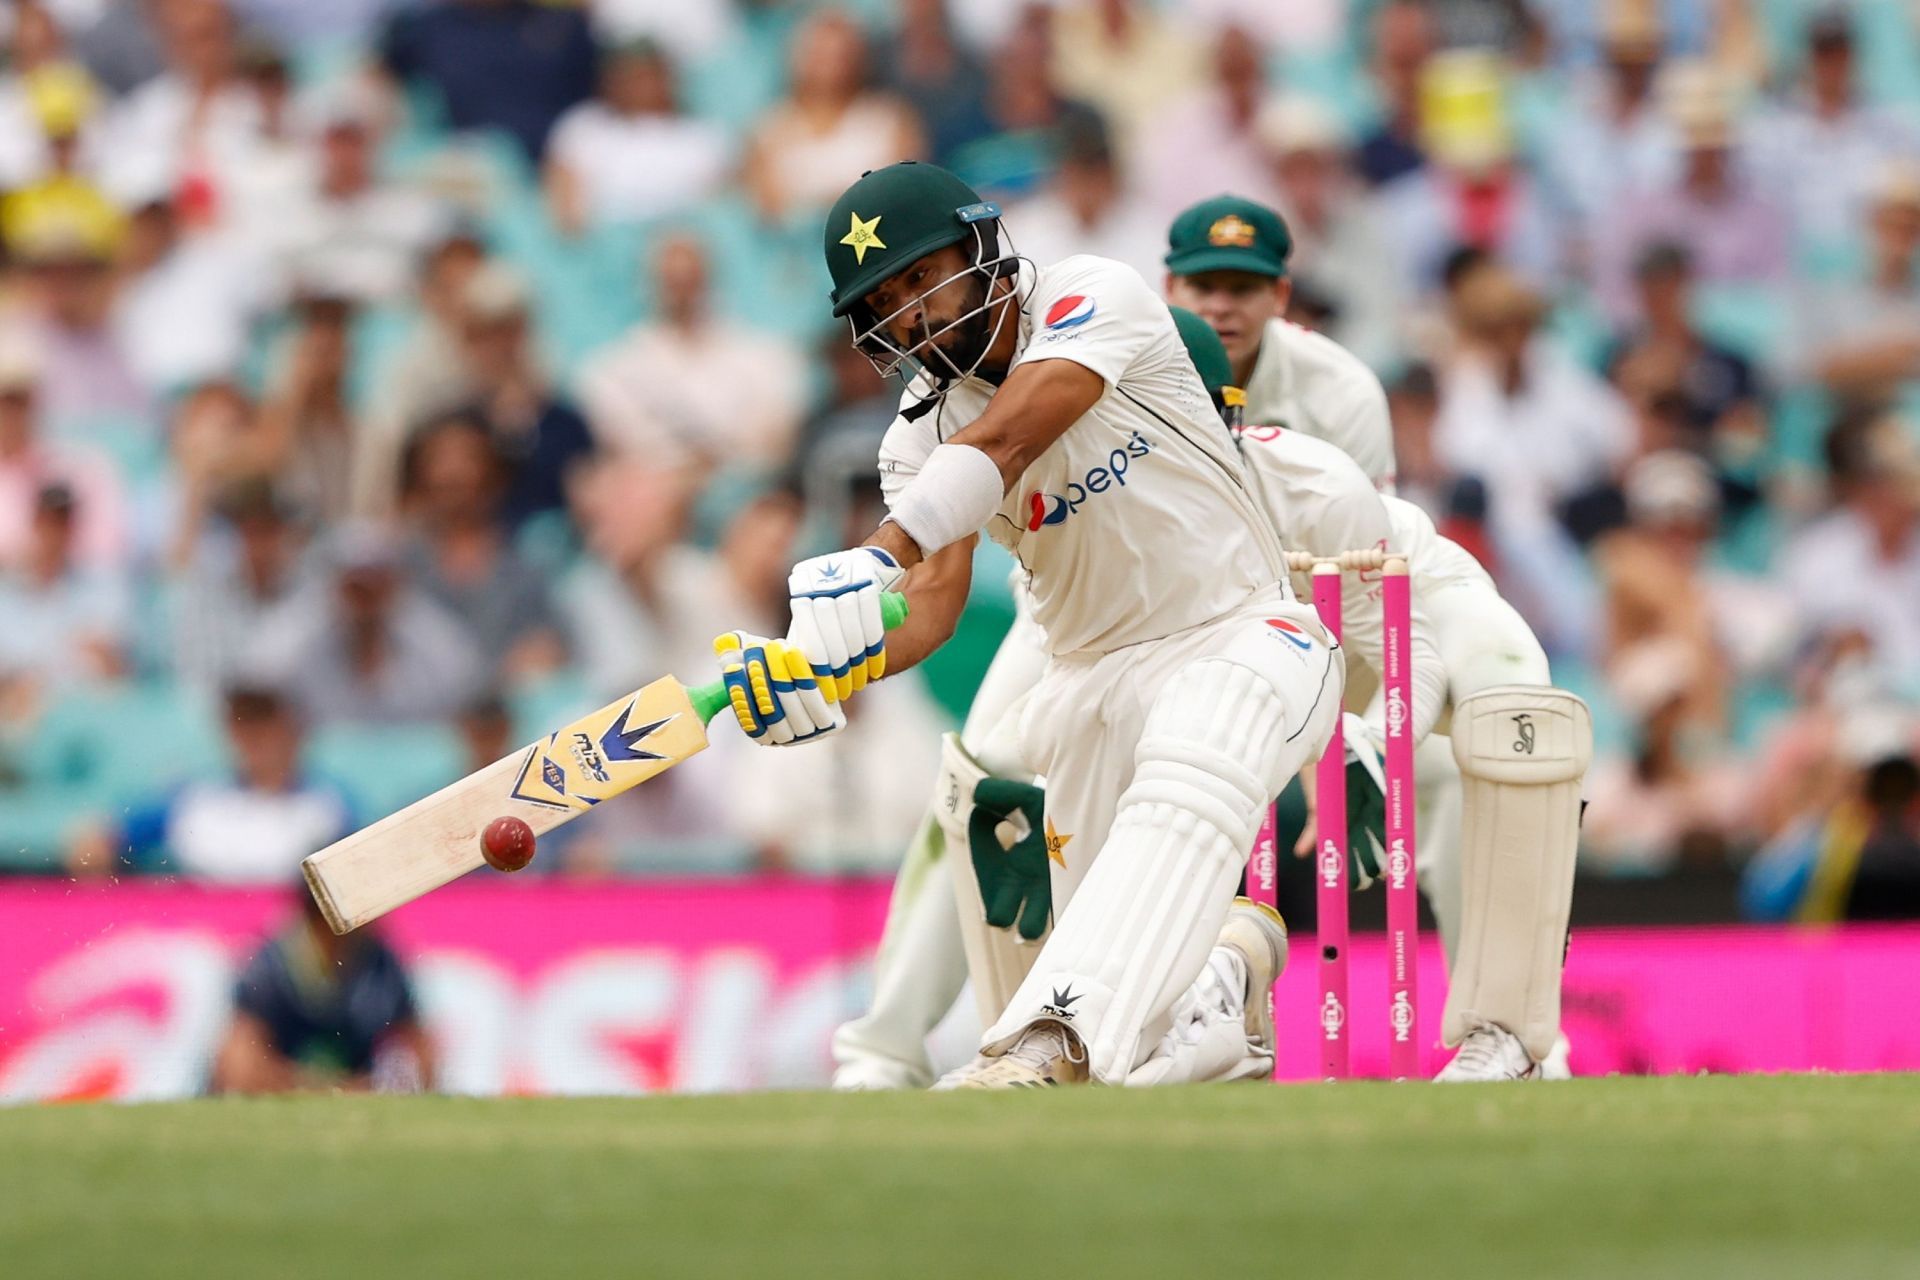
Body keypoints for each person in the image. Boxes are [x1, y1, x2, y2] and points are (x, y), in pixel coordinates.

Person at [723, 162, 1341, 1089]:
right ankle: (1227, 979)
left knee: (1196, 752)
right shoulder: (913, 440)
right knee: (1130, 1062)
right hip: (1091, 691)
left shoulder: (1096, 295)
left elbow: (1013, 436)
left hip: (1245, 631)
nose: (916, 316)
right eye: (887, 304)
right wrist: (821, 671)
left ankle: (1044, 1035)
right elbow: (930, 611)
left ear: (980, 249)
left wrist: (880, 549)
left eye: (924, 278)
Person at [1162, 194, 1395, 485]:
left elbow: (1369, 525)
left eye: (1242, 289)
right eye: (1202, 287)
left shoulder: (1343, 393)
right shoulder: (1126, 374)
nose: (1220, 308)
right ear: (1169, 288)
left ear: (1281, 295)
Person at [66, 681, 353, 882]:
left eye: (264, 722)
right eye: (242, 722)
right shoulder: (197, 797)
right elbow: (94, 844)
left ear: (294, 730)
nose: (252, 736)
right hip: (199, 942)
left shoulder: (328, 803)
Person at [213, 888, 434, 1094]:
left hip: (353, 1107)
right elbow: (238, 1071)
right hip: (283, 1106)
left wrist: (383, 1084)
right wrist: (330, 1090)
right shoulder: (269, 967)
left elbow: (420, 1055)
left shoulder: (381, 963)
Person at [543, 39, 731, 236]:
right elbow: (563, 205)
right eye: (627, 76)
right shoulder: (582, 127)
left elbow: (717, 211)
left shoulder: (702, 136)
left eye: (647, 75)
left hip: (679, 249)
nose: (638, 85)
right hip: (601, 249)